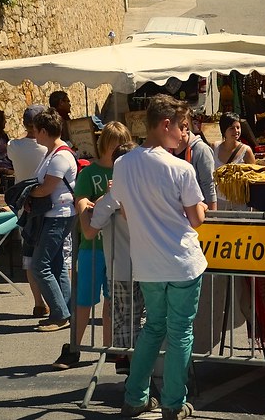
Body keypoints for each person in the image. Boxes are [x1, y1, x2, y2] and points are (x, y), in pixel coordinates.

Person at [111, 95, 207, 420]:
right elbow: (197, 219)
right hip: (181, 262)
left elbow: (124, 212)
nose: (183, 135)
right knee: (180, 332)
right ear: (165, 125)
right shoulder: (181, 168)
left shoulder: (122, 164)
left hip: (148, 264)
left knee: (152, 328)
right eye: (181, 128)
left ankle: (135, 396)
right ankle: (173, 403)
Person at [53, 121, 134, 369]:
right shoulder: (90, 172)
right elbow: (81, 200)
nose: (116, 151)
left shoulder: (129, 173)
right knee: (84, 300)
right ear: (104, 146)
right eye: (112, 146)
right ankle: (75, 347)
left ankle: (111, 348)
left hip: (119, 248)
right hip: (93, 248)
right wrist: (88, 204)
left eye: (120, 145)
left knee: (112, 302)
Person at [82, 142, 143, 376]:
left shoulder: (111, 197)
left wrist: (82, 210)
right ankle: (139, 369)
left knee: (125, 321)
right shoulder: (148, 192)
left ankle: (129, 367)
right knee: (146, 322)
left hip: (121, 269)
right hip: (149, 266)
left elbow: (89, 231)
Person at [27, 108, 78, 332]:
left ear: (45, 131)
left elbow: (47, 187)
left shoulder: (60, 156)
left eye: (36, 131)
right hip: (56, 215)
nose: (34, 135)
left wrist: (27, 194)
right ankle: (66, 312)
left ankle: (59, 314)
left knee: (39, 265)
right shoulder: (53, 153)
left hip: (58, 215)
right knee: (56, 265)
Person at [7, 104, 49, 318]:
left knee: (29, 255)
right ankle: (54, 300)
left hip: (23, 205)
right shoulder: (48, 149)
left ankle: (38, 302)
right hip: (46, 203)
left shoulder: (14, 145)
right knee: (51, 255)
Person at [212, 112, 256, 211]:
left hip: (239, 201)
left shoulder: (246, 150)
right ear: (224, 130)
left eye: (238, 127)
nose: (236, 131)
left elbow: (254, 177)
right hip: (219, 200)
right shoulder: (214, 147)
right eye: (231, 128)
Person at [173, 117, 216, 211]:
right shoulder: (167, 150)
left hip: (198, 212)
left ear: (184, 128)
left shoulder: (201, 150)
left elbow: (209, 185)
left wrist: (214, 217)